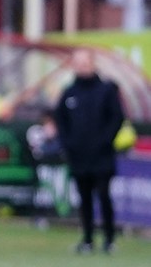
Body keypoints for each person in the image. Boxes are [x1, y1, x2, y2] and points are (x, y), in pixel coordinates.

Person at [53, 48, 125, 254]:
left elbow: (116, 118)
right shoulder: (69, 92)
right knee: (84, 199)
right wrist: (69, 143)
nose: (82, 67)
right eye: (78, 63)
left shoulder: (106, 90)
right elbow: (61, 120)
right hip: (79, 156)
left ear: (93, 64)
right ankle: (87, 239)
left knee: (103, 195)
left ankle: (109, 239)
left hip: (101, 156)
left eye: (85, 63)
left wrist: (104, 140)